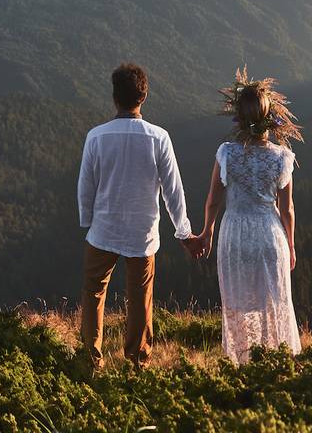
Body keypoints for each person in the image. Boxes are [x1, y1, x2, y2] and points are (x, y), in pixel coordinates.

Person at [78, 63, 202, 369]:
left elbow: (86, 185)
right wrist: (183, 231)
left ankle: (92, 358)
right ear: (143, 97)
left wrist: (86, 220)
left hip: (103, 229)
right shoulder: (158, 137)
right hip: (142, 231)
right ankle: (137, 360)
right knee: (140, 297)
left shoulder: (97, 136)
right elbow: (173, 190)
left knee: (94, 290)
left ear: (114, 97)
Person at [195, 68, 303, 364]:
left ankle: (244, 363)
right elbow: (287, 209)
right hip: (269, 235)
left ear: (239, 119)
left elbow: (213, 200)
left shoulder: (227, 154)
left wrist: (207, 232)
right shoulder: (282, 157)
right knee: (274, 301)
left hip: (235, 236)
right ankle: (276, 364)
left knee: (239, 301)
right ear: (271, 117)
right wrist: (291, 245)